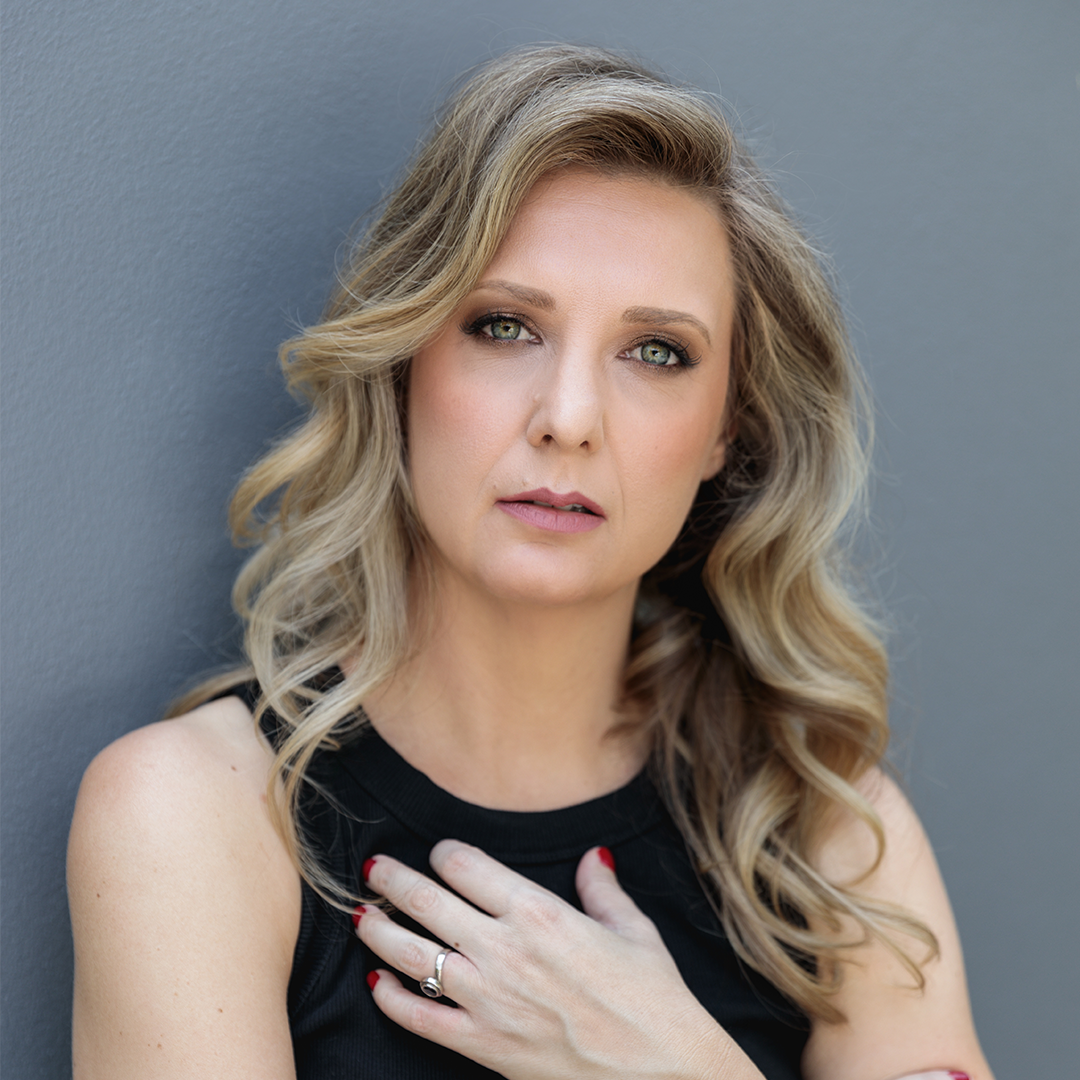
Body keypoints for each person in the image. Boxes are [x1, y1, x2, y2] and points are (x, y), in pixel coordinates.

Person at [67, 45, 993, 1080]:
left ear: (726, 429)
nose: (569, 418)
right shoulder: (199, 818)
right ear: (405, 363)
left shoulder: (829, 831)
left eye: (657, 352)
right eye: (504, 327)